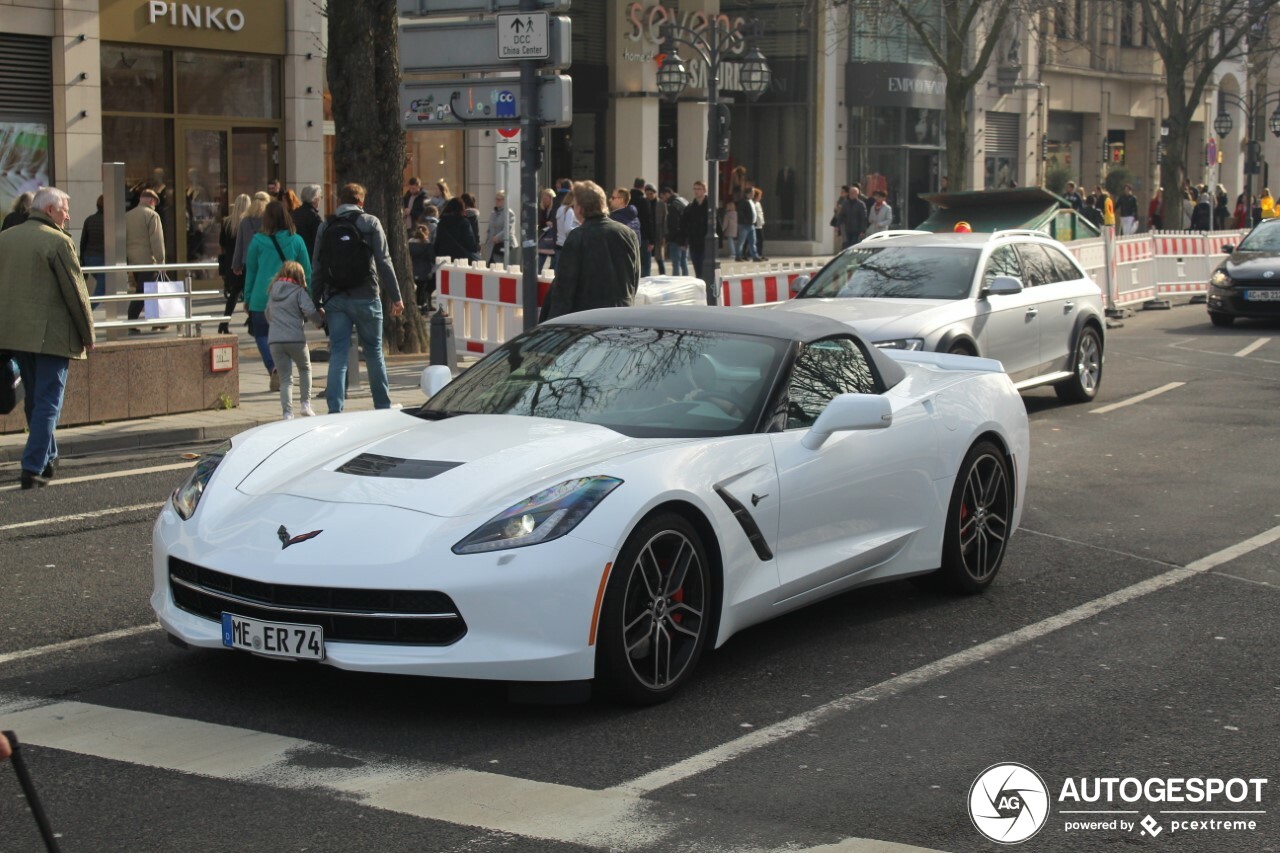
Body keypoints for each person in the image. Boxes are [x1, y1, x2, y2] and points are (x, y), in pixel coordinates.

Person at [0, 187, 95, 489]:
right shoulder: (58, 242)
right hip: (51, 335)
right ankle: (32, 466)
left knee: (34, 400)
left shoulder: (6, 238)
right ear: (51, 210)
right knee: (48, 402)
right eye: (65, 209)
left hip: (14, 334)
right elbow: (77, 294)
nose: (68, 215)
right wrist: (88, 334)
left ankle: (49, 457)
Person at [311, 182, 404, 414]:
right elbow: (384, 261)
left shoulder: (326, 226)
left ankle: (335, 409)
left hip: (336, 298)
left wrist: (316, 301)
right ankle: (382, 405)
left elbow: (317, 267)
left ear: (340, 201)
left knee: (339, 352)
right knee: (373, 351)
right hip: (366, 297)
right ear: (361, 201)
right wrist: (396, 296)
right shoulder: (370, 223)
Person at [539, 180, 639, 321]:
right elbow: (634, 279)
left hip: (588, 319)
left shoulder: (578, 236)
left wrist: (553, 323)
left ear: (579, 208)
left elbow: (565, 287)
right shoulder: (628, 233)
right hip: (621, 316)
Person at [245, 201, 311, 390]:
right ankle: (284, 373)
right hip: (290, 298)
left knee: (262, 335)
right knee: (288, 336)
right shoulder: (296, 240)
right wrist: (310, 297)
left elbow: (251, 271)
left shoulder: (257, 241)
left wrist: (247, 297)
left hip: (261, 297)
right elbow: (307, 270)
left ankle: (273, 367)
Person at [265, 259, 323, 419]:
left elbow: (268, 314)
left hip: (275, 340)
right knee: (305, 368)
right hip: (295, 338)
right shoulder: (299, 292)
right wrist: (319, 322)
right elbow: (310, 311)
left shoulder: (272, 291)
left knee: (285, 379)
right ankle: (305, 404)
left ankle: (287, 413)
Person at [125, 188, 165, 323]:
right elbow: (157, 240)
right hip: (148, 260)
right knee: (144, 292)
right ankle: (131, 319)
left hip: (133, 260)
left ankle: (156, 322)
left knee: (148, 290)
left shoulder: (128, 215)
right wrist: (161, 260)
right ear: (152, 201)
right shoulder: (152, 215)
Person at [217, 193, 251, 335]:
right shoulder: (249, 222)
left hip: (232, 262)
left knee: (234, 295)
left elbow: (222, 243)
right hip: (246, 262)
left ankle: (224, 323)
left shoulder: (227, 222)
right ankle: (252, 321)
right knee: (251, 293)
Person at [433, 197, 482, 261]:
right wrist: (476, 248)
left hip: (444, 257)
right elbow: (469, 242)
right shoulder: (463, 222)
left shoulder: (442, 222)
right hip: (460, 259)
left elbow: (438, 241)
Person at [684, 179, 712, 283]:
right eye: (695, 189)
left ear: (704, 190)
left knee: (706, 270)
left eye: (699, 189)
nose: (696, 191)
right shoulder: (691, 207)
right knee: (698, 269)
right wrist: (684, 241)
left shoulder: (710, 205)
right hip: (694, 243)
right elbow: (685, 225)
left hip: (707, 243)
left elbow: (716, 224)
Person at [80, 194, 106, 301]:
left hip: (89, 257)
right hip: (102, 257)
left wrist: (83, 260)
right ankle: (87, 310)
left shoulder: (89, 220)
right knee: (102, 288)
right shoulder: (110, 221)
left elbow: (83, 241)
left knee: (103, 285)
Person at [408, 223, 436, 312]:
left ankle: (417, 305)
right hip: (424, 270)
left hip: (412, 269)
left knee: (415, 288)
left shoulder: (409, 243)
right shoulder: (427, 244)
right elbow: (431, 258)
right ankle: (421, 305)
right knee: (422, 288)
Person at [630, 178, 656, 276]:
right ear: (643, 187)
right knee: (645, 264)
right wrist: (652, 240)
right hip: (643, 236)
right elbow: (648, 221)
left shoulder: (628, 199)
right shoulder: (644, 201)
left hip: (629, 235)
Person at [662, 186, 689, 276]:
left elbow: (673, 224)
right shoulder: (682, 200)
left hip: (676, 238)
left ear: (667, 194)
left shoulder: (672, 205)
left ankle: (676, 280)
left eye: (663, 196)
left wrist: (669, 238)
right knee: (683, 261)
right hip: (685, 236)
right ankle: (686, 280)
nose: (663, 199)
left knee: (676, 262)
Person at [484, 191, 515, 264]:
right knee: (490, 266)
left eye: (499, 199)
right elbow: (490, 227)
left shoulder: (509, 213)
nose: (497, 201)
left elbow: (508, 229)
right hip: (492, 245)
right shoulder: (493, 213)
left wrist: (498, 237)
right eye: (496, 199)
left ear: (505, 200)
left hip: (503, 245)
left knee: (499, 267)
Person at [293, 184, 323, 258]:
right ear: (315, 199)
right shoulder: (314, 217)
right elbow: (319, 240)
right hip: (309, 256)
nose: (320, 200)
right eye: (320, 197)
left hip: (294, 254)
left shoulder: (293, 213)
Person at [553, 185, 579, 269]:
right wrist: (579, 229)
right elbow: (567, 228)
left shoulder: (561, 209)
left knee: (558, 270)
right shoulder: (569, 211)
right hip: (567, 245)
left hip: (559, 243)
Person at [645, 184, 667, 274]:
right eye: (647, 194)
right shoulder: (645, 202)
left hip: (658, 233)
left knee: (659, 258)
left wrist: (664, 235)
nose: (649, 196)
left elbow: (665, 220)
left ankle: (663, 276)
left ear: (655, 193)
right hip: (648, 233)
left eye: (651, 194)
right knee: (646, 259)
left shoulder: (661, 204)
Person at [734, 188, 759, 261]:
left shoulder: (751, 201)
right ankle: (738, 256)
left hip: (751, 224)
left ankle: (755, 256)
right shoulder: (743, 201)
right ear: (748, 193)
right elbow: (740, 212)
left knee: (753, 241)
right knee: (741, 241)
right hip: (744, 225)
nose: (753, 194)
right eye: (752, 192)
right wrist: (745, 220)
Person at [841, 184, 869, 248]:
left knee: (853, 245)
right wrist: (837, 226)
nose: (851, 194)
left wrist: (862, 230)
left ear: (857, 194)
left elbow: (863, 218)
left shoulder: (861, 204)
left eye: (853, 193)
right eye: (850, 193)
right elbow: (842, 215)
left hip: (857, 230)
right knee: (847, 244)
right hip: (848, 228)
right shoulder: (846, 203)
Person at [537, 187, 557, 272]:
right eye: (543, 198)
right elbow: (539, 221)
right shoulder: (542, 209)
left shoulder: (555, 209)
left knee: (553, 263)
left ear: (551, 198)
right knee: (539, 262)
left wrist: (553, 223)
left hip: (553, 238)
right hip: (544, 238)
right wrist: (545, 223)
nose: (544, 200)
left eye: (546, 198)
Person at [751, 187, 767, 260]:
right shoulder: (752, 203)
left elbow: (760, 213)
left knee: (760, 240)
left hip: (759, 224)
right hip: (755, 224)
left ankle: (759, 254)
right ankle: (756, 254)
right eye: (759, 196)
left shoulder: (758, 203)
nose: (760, 197)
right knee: (755, 240)